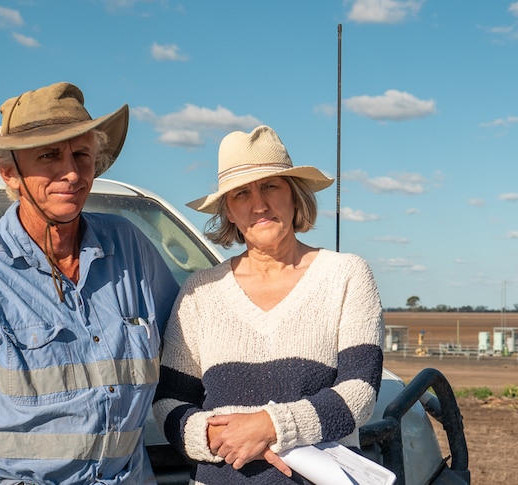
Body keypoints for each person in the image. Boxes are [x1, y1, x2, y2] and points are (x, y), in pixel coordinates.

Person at [0, 82, 179, 484]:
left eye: (82, 154)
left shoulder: (130, 246)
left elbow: (190, 347)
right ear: (9, 174)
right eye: (49, 155)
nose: (71, 172)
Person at [153, 125, 385, 484]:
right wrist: (217, 436)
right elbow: (168, 402)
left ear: (295, 196)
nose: (258, 204)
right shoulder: (200, 291)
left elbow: (360, 393)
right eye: (241, 193)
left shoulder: (346, 275)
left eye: (270, 186)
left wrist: (269, 427)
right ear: (228, 211)